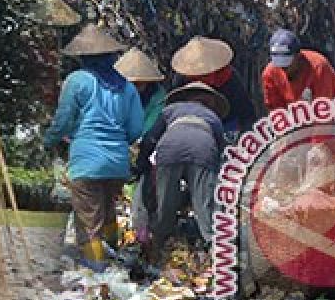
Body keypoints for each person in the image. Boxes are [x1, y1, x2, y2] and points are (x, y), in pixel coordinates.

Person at [43, 24, 144, 270]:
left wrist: (50, 140)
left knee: (89, 222)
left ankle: (97, 272)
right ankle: (115, 264)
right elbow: (136, 127)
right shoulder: (127, 86)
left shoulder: (77, 80)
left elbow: (64, 119)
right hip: (117, 163)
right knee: (108, 214)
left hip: (87, 161)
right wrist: (117, 144)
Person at [136, 81, 228, 262]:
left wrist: (141, 164)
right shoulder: (212, 117)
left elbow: (151, 138)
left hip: (170, 149)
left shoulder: (171, 110)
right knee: (204, 206)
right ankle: (215, 252)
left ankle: (157, 247)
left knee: (165, 202)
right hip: (203, 150)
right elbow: (220, 150)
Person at [114, 48, 167, 247]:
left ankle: (140, 237)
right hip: (122, 148)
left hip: (148, 148)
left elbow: (153, 127)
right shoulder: (115, 94)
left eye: (141, 83)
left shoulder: (158, 97)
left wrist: (139, 150)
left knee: (142, 196)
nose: (137, 87)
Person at [171, 36, 257, 139]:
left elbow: (246, 111)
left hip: (228, 125)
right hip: (195, 125)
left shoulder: (229, 76)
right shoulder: (182, 78)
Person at [262, 28, 335, 112]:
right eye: (280, 66)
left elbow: (323, 111)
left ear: (298, 56)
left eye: (287, 65)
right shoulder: (270, 73)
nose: (283, 70)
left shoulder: (318, 67)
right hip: (294, 115)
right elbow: (276, 109)